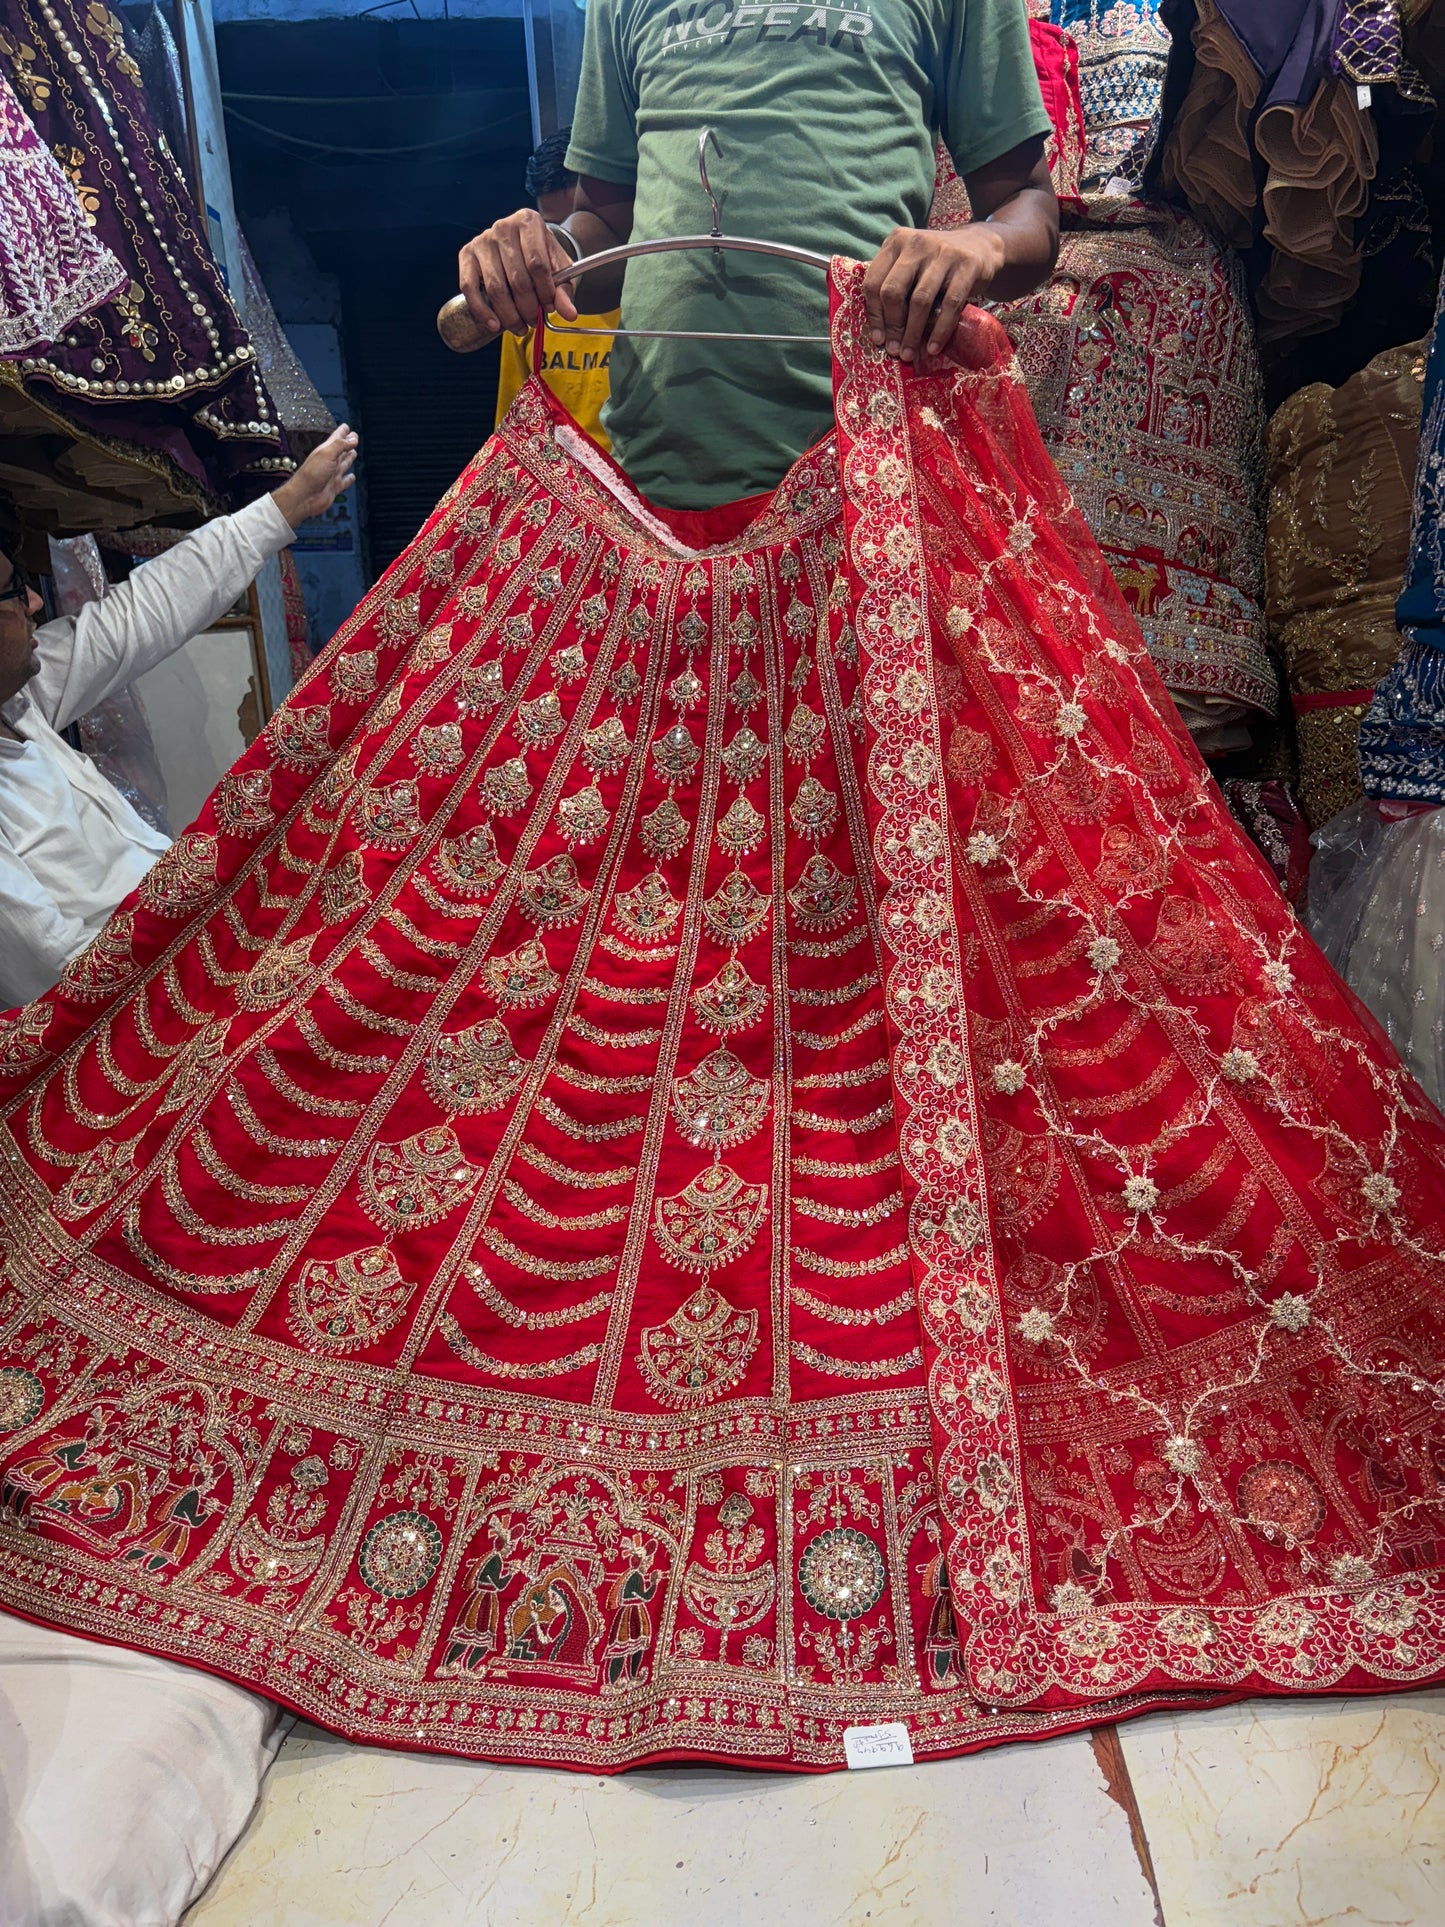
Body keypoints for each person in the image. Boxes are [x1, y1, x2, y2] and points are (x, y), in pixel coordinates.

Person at [460, 0, 1060, 507]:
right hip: (651, 489)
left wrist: (982, 241)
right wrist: (549, 248)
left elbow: (1029, 207)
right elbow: (608, 226)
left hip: (862, 485)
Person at [0, 424, 358, 1009]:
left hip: (204, 957)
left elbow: (141, 614)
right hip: (169, 1022)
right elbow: (64, 989)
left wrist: (288, 504)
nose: (36, 601)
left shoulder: (23, 702)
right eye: (14, 592)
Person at [492, 127, 621, 451]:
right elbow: (514, 435)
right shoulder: (529, 303)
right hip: (568, 497)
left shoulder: (655, 298)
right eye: (554, 232)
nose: (564, 252)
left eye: (582, 228)